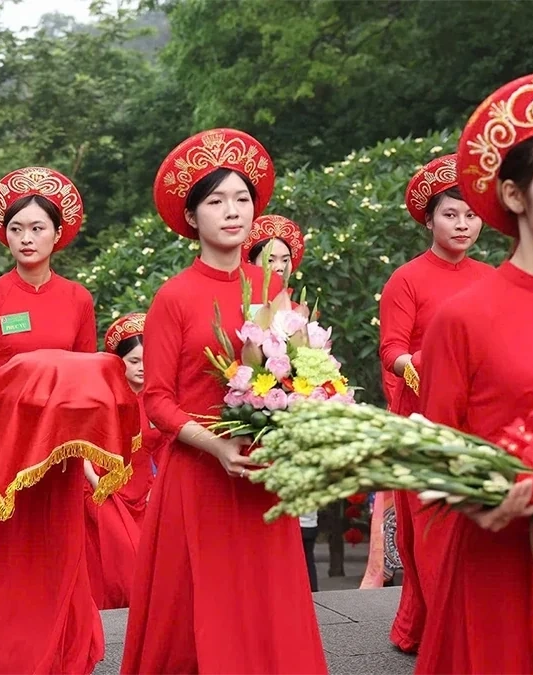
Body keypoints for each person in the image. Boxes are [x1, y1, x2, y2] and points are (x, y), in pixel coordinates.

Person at [121, 129, 327, 674]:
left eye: (242, 199)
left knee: (265, 611)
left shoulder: (271, 288)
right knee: (198, 616)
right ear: (192, 217)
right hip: (200, 476)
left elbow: (302, 371)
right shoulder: (174, 296)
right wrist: (215, 446)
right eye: (215, 201)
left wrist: (302, 413)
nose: (231, 212)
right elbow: (158, 400)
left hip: (263, 473)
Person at [415, 70, 533, 675]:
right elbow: (431, 454)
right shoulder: (464, 318)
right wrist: (474, 501)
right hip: (500, 563)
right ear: (514, 195)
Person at [0, 167, 135, 674]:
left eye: (37, 228)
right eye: (17, 229)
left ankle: (57, 647)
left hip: (57, 454)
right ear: (6, 235)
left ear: (57, 234)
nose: (27, 238)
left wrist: (87, 450)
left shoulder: (78, 299)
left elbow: (89, 375)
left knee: (57, 552)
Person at [375, 153, 496, 650]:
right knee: (431, 533)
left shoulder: (492, 277)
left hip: (480, 422)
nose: (463, 224)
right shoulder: (406, 279)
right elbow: (391, 353)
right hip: (424, 423)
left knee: (478, 530)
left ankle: (477, 629)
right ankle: (437, 631)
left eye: (471, 215)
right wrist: (437, 362)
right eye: (451, 214)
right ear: (429, 219)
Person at [243, 215, 321, 593]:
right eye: (270, 258)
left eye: (285, 259)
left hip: (296, 417)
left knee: (302, 518)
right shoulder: (243, 307)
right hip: (253, 419)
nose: (279, 267)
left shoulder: (299, 310)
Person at [83, 313, 156, 611]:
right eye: (135, 361)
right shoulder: (102, 397)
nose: (142, 368)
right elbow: (81, 447)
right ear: (118, 361)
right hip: (102, 489)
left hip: (146, 493)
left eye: (148, 360)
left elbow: (166, 450)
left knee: (143, 566)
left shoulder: (158, 399)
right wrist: (94, 481)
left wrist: (160, 487)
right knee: (127, 562)